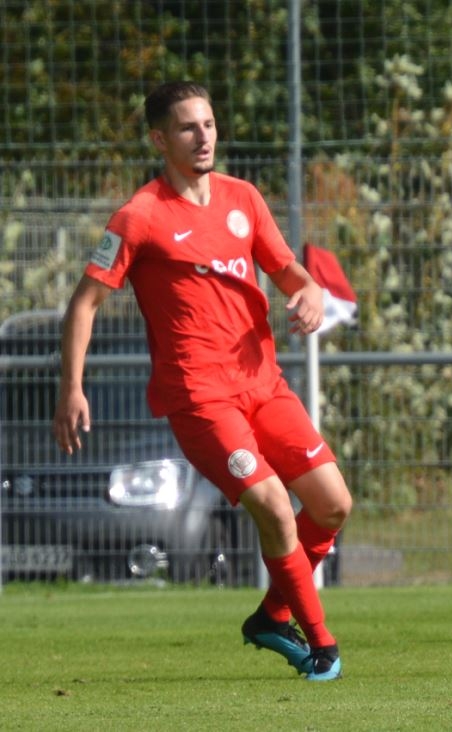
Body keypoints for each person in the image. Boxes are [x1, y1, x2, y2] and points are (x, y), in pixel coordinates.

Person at [51, 81, 351, 682]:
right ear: (160, 140)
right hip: (201, 397)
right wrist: (71, 388)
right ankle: (322, 646)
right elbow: (84, 303)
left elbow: (287, 269)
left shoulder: (243, 198)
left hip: (263, 383)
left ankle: (271, 618)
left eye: (209, 124)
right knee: (274, 506)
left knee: (333, 504)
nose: (203, 136)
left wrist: (310, 291)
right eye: (188, 127)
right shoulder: (140, 216)